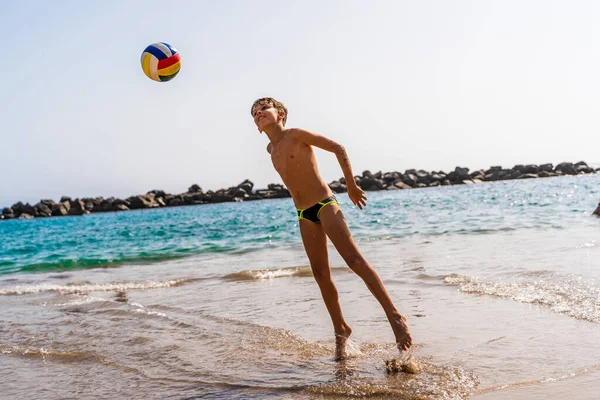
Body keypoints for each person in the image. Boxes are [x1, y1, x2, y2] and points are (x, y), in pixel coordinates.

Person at [250, 97, 412, 360]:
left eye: (263, 109)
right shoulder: (271, 149)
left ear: (280, 114)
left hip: (325, 203)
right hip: (303, 213)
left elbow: (338, 147)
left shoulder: (296, 134)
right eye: (254, 113)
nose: (258, 113)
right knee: (320, 274)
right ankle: (341, 330)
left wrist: (350, 185)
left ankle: (394, 316)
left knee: (353, 259)